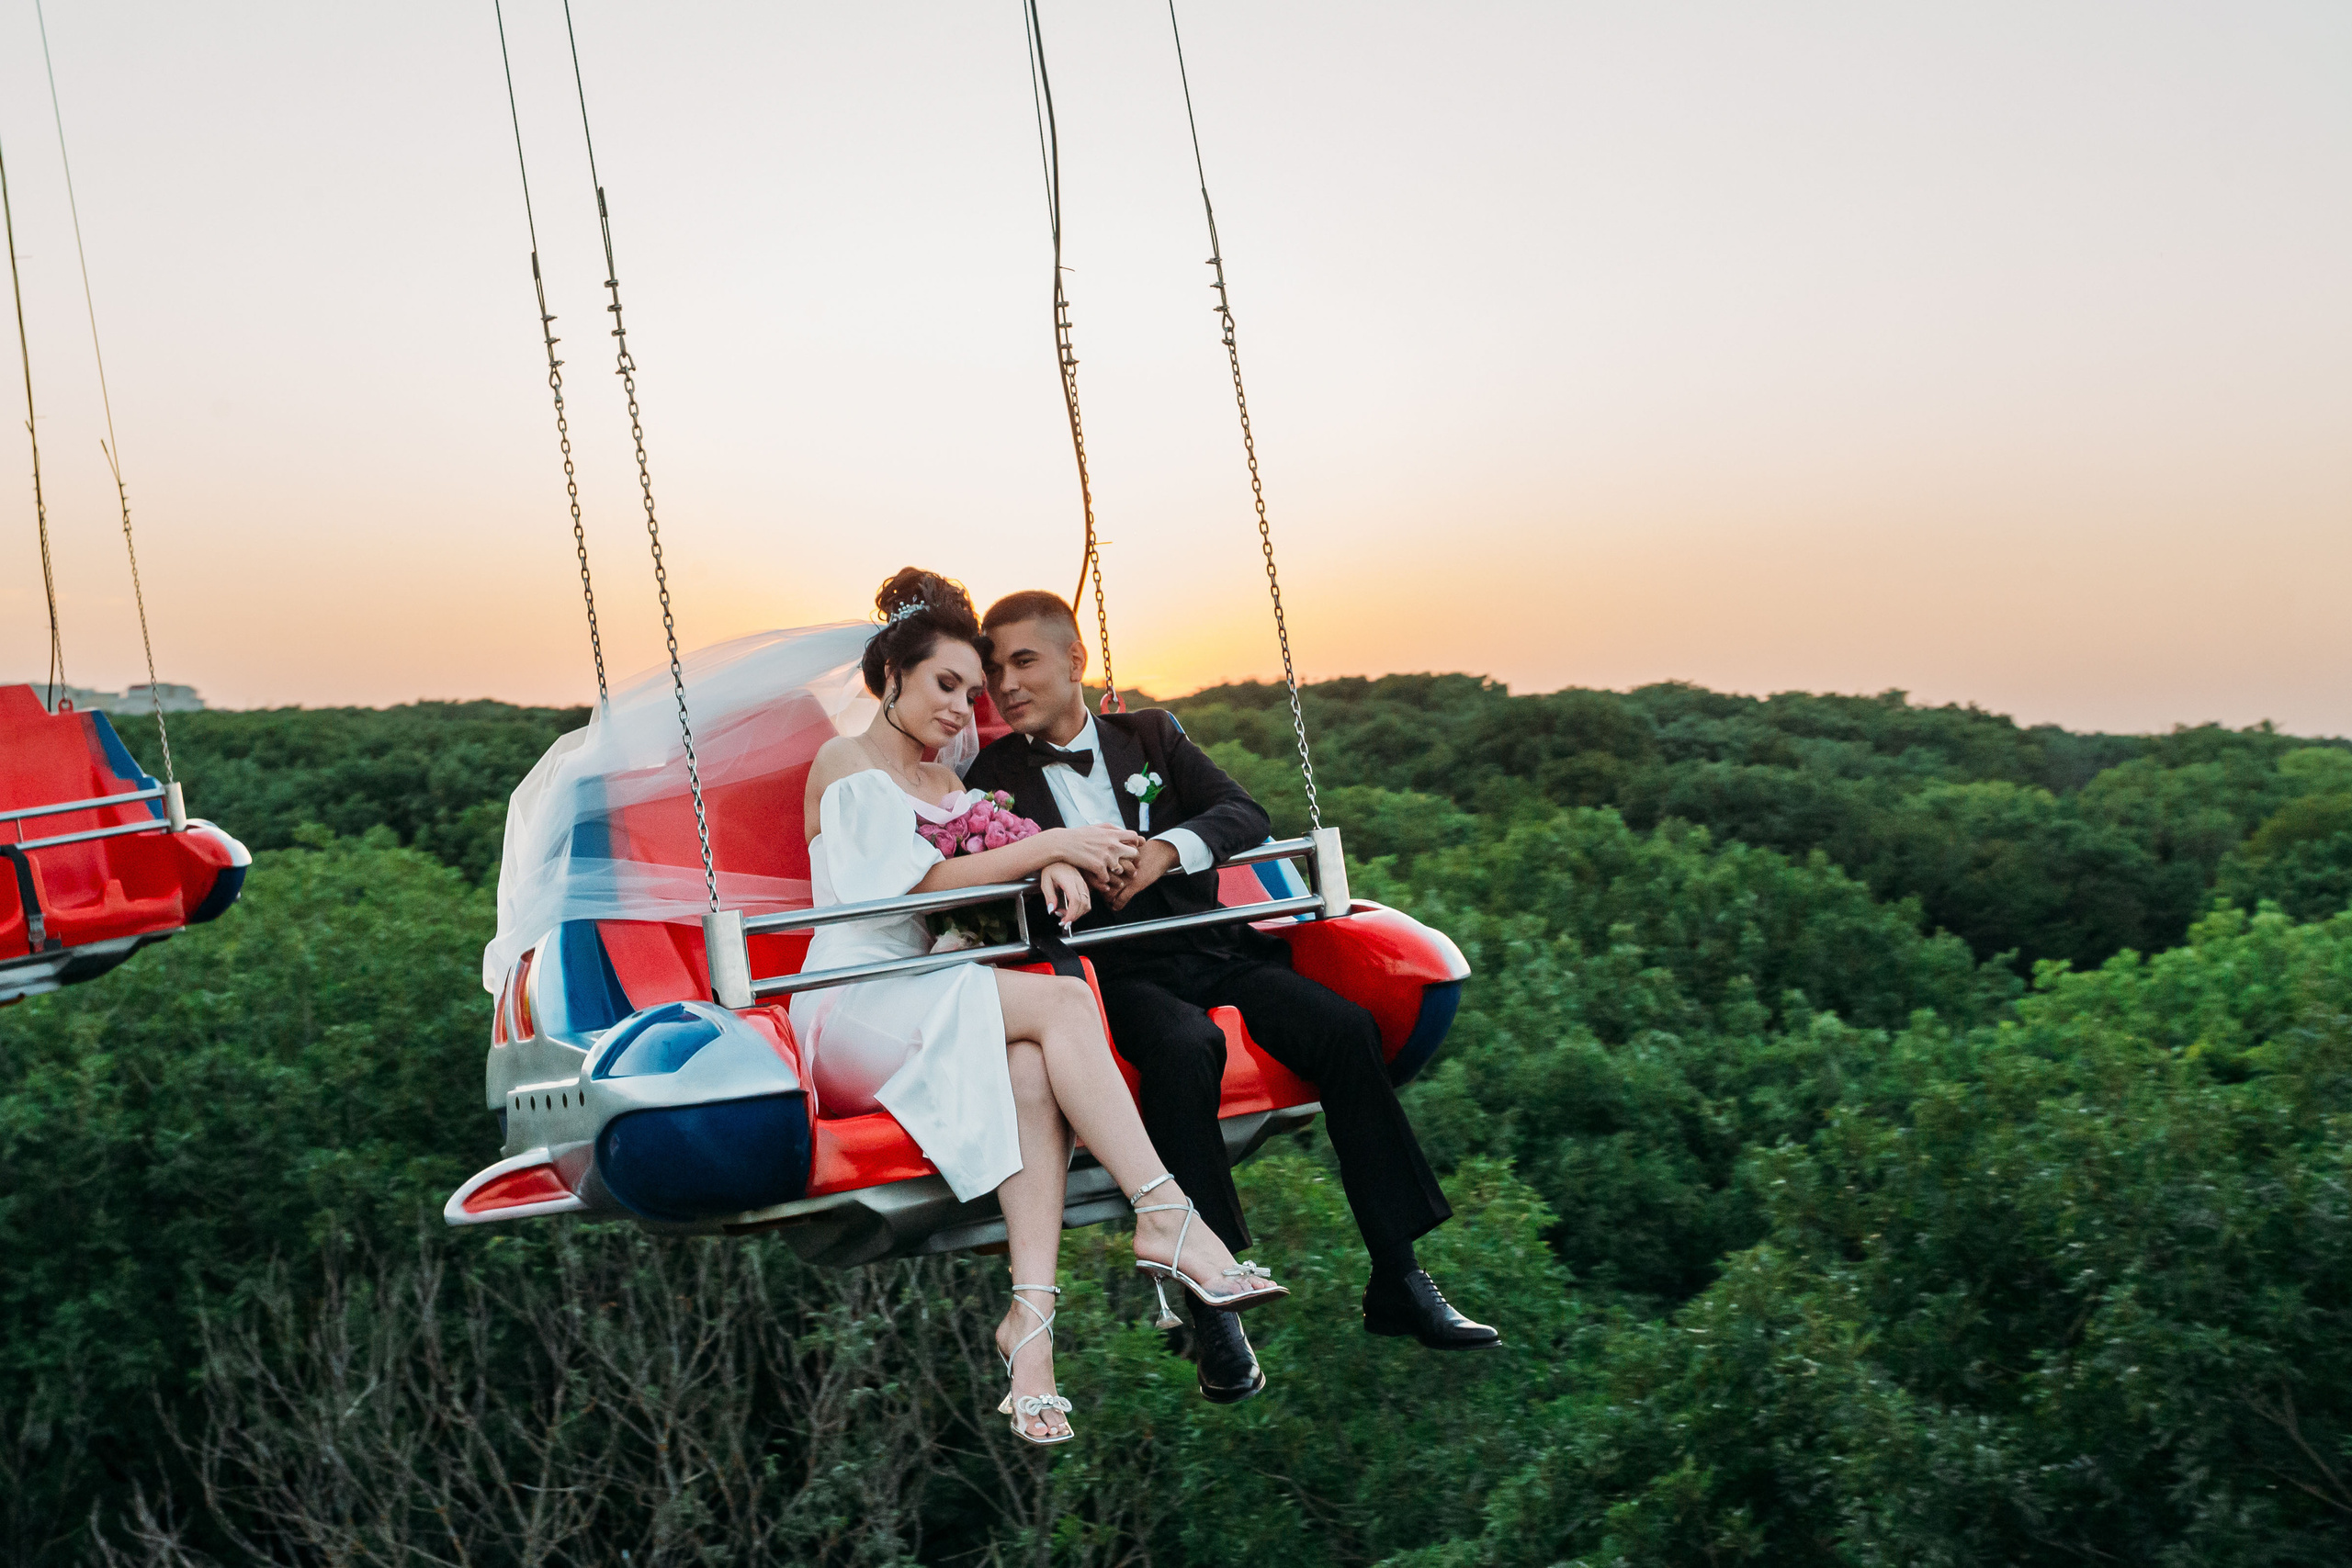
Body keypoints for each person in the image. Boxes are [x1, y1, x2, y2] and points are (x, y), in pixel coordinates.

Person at [966, 590, 1498, 1405]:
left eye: (1023, 661)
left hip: (1211, 945)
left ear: (1075, 660)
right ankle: (1213, 1307)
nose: (1005, 684)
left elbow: (1243, 812)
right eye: (995, 669)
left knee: (1343, 1029)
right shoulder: (991, 778)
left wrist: (1166, 851)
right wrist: (1054, 861)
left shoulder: (1151, 734)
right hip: (1113, 973)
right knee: (1187, 1048)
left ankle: (1398, 1273)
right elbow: (991, 882)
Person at [792, 569, 1287, 1445]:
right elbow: (912, 889)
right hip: (855, 1002)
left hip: (930, 992)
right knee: (1061, 1003)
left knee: (1030, 1071)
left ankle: (1031, 1329)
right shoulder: (846, 764)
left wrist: (1051, 859)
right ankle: (1165, 1213)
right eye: (947, 684)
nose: (963, 709)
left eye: (972, 693)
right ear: (894, 675)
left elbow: (987, 863)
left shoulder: (945, 782)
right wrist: (1052, 843)